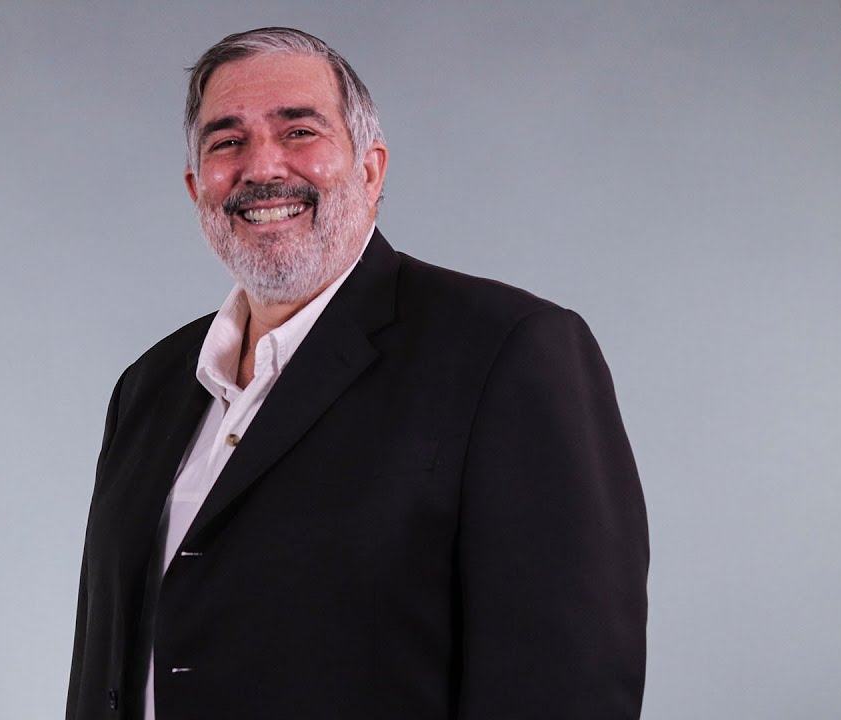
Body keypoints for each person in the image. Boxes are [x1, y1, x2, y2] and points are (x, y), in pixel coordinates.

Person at [67, 27, 648, 720]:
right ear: (197, 188)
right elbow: (105, 666)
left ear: (370, 170)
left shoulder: (507, 350)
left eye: (299, 131)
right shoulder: (149, 386)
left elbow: (565, 683)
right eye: (227, 141)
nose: (262, 166)